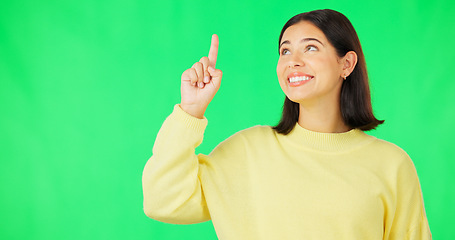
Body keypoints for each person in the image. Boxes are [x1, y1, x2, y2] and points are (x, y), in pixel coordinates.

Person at [142, 9, 432, 240]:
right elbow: (162, 200)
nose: (293, 61)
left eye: (311, 49)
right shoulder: (248, 151)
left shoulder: (392, 164)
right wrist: (190, 111)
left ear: (346, 64)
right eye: (285, 51)